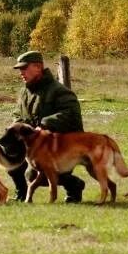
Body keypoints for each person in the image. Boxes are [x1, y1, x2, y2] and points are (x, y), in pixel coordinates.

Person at [11, 51, 86, 203]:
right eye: (20, 69)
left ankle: (74, 185)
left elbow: (70, 113)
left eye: (25, 68)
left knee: (34, 174)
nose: (21, 72)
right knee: (10, 157)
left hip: (61, 146)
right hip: (34, 144)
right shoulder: (25, 92)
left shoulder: (58, 90)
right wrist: (19, 129)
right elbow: (17, 114)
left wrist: (45, 124)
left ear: (38, 67)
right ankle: (21, 193)